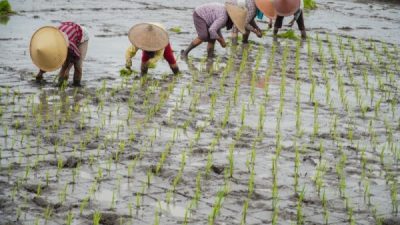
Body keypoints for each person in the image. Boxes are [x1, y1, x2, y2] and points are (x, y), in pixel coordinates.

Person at [31, 22, 89, 86]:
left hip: (82, 35)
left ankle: (76, 85)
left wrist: (67, 70)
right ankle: (60, 84)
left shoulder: (70, 46)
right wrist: (40, 73)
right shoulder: (50, 44)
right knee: (63, 64)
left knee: (78, 65)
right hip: (68, 32)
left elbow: (76, 56)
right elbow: (47, 60)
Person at [181, 2, 247, 58]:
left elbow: (216, 29)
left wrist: (221, 39)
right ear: (231, 19)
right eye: (233, 23)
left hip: (208, 18)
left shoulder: (225, 16)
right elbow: (212, 30)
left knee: (212, 37)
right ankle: (185, 53)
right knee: (203, 36)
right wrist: (221, 40)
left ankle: (210, 56)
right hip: (199, 15)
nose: (232, 26)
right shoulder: (223, 18)